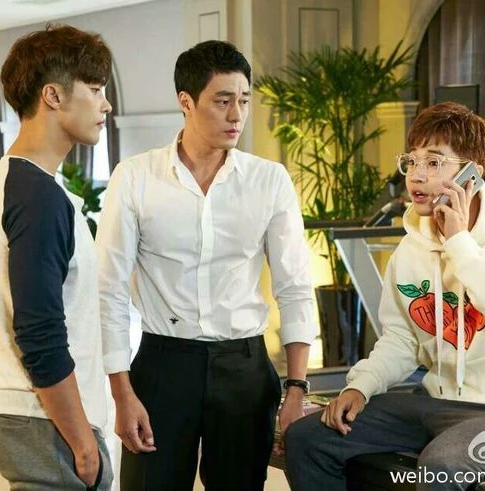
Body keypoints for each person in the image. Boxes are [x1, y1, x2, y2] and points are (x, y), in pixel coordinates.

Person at [284, 102, 485, 490]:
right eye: (412, 161)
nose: (417, 175)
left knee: (442, 465)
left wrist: (461, 244)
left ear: (472, 173)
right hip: (438, 405)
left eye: (434, 162)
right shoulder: (410, 251)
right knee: (308, 438)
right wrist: (361, 385)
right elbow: (402, 340)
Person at [96, 40, 317, 491]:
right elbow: (109, 289)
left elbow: (295, 285)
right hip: (163, 366)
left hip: (244, 369)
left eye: (244, 100)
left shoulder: (269, 180)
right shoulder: (135, 177)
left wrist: (297, 387)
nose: (237, 115)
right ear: (186, 101)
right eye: (222, 101)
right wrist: (121, 394)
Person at [0, 24, 114, 490]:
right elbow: (39, 333)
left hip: (33, 417)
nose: (105, 105)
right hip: (44, 421)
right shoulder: (37, 195)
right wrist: (82, 443)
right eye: (95, 89)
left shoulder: (16, 180)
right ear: (53, 95)